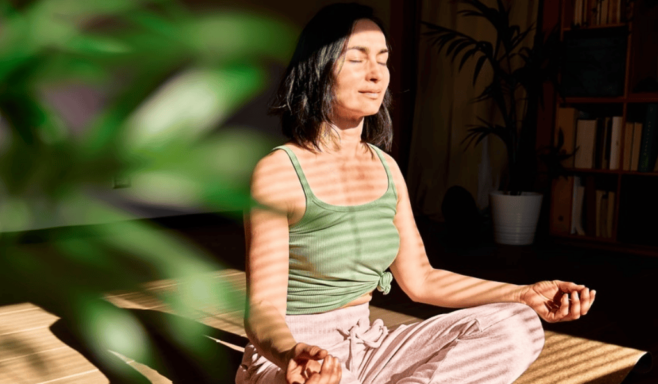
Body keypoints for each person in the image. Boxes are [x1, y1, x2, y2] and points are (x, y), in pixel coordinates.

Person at [238, 4, 596, 384]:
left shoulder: (385, 168)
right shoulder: (279, 172)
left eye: (383, 60)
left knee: (519, 324)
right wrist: (291, 352)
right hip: (299, 358)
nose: (377, 75)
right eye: (357, 59)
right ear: (317, 69)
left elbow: (422, 279)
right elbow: (262, 308)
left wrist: (524, 294)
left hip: (368, 347)